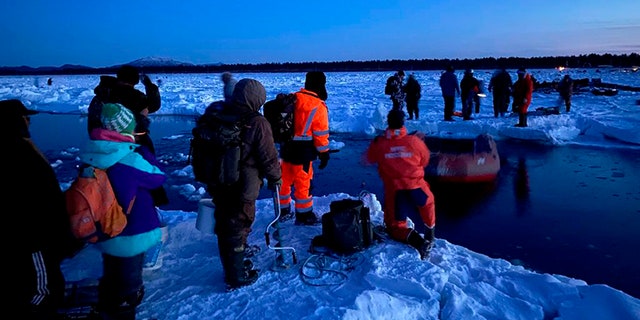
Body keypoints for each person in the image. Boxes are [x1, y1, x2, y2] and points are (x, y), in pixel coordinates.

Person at [79, 102, 167, 319]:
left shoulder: (92, 153)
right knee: (128, 279)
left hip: (104, 226)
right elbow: (157, 177)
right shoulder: (131, 158)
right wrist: (144, 152)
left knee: (111, 271)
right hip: (131, 231)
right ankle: (122, 308)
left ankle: (108, 302)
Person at [1, 99, 79, 319]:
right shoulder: (17, 153)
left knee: (37, 283)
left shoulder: (19, 147)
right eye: (25, 118)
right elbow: (30, 200)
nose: (29, 122)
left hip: (37, 234)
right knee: (43, 289)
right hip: (33, 238)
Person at [204, 79, 282, 290]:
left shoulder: (219, 114)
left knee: (225, 221)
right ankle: (236, 275)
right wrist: (275, 176)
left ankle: (236, 256)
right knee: (238, 223)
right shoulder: (257, 121)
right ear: (256, 99)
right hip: (242, 184)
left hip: (218, 180)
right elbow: (268, 156)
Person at [88, 64, 168, 206]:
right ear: (135, 80)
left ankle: (110, 214)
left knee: (109, 185)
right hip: (135, 145)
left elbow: (92, 125)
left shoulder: (100, 96)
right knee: (144, 179)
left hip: (103, 148)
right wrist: (150, 86)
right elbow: (153, 106)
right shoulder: (136, 97)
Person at [364, 109, 436, 260]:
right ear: (403, 123)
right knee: (428, 205)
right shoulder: (414, 142)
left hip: (396, 191)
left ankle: (419, 242)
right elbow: (425, 160)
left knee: (395, 227)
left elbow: (368, 159)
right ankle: (430, 234)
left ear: (387, 123)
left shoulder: (380, 143)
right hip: (417, 187)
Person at [278, 71, 330, 225]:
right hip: (304, 152)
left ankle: (284, 210)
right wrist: (324, 154)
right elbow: (320, 134)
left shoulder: (293, 98)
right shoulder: (318, 106)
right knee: (303, 183)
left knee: (284, 181)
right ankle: (304, 214)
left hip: (286, 148)